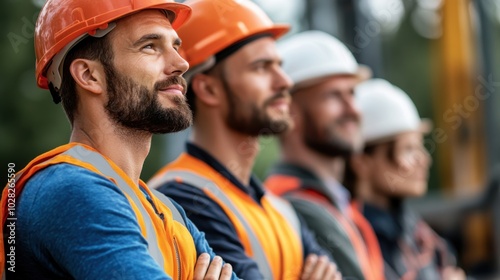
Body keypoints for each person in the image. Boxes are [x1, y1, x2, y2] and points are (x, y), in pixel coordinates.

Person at [0, 0, 238, 279]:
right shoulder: (69, 188)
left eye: (174, 45)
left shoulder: (168, 210)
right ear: (90, 75)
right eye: (150, 46)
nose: (181, 63)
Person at [148, 0, 341, 279]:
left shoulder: (279, 208)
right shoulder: (182, 199)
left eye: (279, 65)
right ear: (209, 89)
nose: (285, 81)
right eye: (261, 67)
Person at [265, 30, 385, 280]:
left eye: (352, 93)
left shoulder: (337, 204)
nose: (352, 109)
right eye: (333, 96)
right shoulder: (295, 206)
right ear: (288, 111)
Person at [343, 78, 466, 280]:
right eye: (408, 149)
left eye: (420, 146)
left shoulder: (415, 230)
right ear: (361, 163)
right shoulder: (353, 237)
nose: (424, 160)